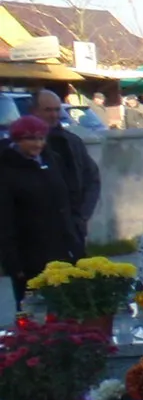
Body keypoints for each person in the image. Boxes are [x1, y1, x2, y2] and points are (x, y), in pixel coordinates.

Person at [0, 116, 80, 301]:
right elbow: (5, 220)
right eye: (30, 139)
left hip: (62, 250)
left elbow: (67, 201)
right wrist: (13, 262)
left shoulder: (53, 161)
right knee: (36, 311)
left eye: (41, 138)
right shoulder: (6, 170)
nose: (37, 144)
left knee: (68, 307)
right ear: (17, 140)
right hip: (29, 255)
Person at [35, 89, 100, 249]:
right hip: (34, 233)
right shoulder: (19, 147)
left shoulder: (72, 142)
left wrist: (82, 216)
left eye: (57, 109)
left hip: (72, 228)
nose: (53, 115)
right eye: (48, 110)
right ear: (34, 111)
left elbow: (92, 179)